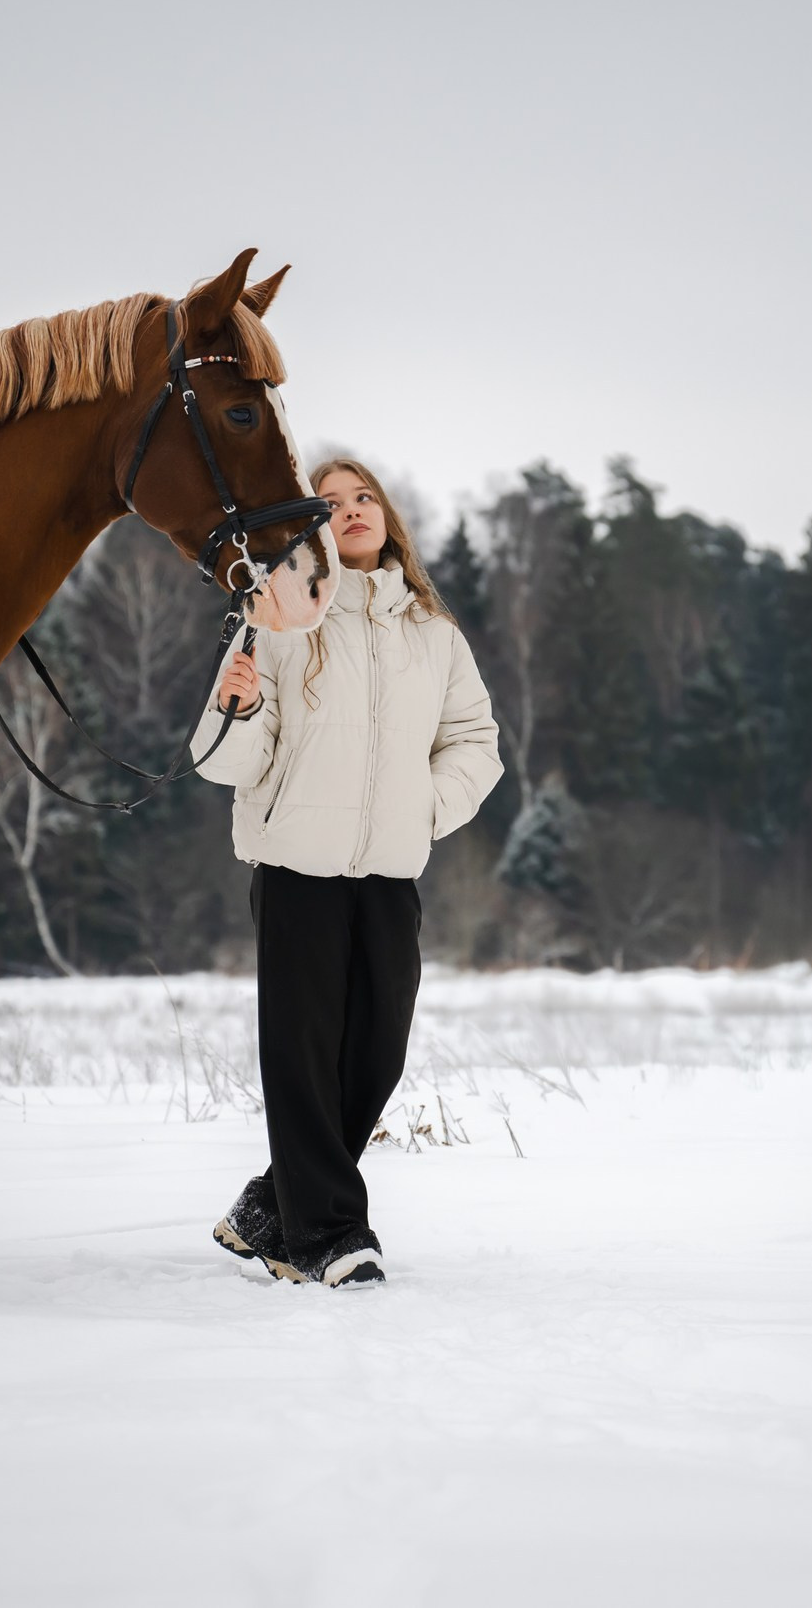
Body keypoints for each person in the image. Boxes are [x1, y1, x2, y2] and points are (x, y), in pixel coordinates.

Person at [192, 458, 501, 1287]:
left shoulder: (434, 633)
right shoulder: (279, 618)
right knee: (302, 1054)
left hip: (390, 871)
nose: (352, 510)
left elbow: (477, 743)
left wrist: (423, 809)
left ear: (387, 516)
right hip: (296, 865)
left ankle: (270, 1205)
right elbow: (225, 763)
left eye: (364, 496)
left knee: (376, 1052)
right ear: (309, 528)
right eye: (330, 502)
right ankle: (328, 1236)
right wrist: (241, 705)